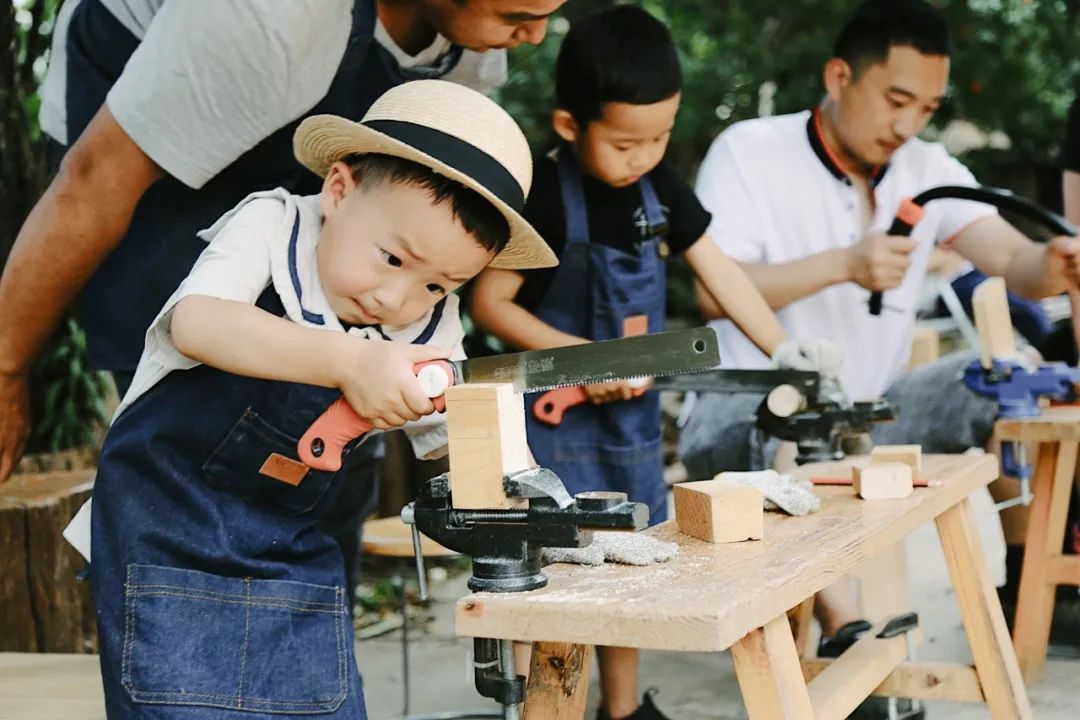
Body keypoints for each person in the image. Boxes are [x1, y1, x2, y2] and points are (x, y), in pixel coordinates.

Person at [2, 0, 563, 599]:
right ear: (336, 190)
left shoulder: (473, 54)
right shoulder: (270, 19)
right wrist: (6, 369)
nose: (530, 36)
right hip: (148, 185)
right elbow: (95, 180)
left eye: (436, 285)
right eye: (516, 13)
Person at [86, 80, 555, 720]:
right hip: (166, 535)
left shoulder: (429, 323)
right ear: (338, 190)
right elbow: (196, 323)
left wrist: (520, 500)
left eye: (438, 285)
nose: (399, 299)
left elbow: (458, 442)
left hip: (294, 553)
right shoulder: (271, 225)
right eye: (392, 257)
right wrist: (352, 360)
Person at [678, 0, 1080, 684]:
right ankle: (848, 632)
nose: (909, 125)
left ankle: (1034, 590)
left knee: (1002, 375)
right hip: (751, 410)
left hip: (874, 410)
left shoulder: (924, 165)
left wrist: (1052, 265)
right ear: (839, 78)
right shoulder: (750, 150)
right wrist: (845, 262)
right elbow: (715, 292)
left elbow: (1009, 255)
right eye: (897, 100)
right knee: (765, 421)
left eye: (926, 108)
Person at [469, 7, 836, 720]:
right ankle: (538, 710)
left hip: (630, 425)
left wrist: (784, 352)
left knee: (629, 556)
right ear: (572, 126)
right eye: (628, 142)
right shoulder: (544, 191)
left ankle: (623, 710)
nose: (646, 155)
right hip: (553, 427)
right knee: (549, 570)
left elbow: (722, 272)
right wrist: (582, 360)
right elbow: (491, 304)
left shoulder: (659, 186)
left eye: (661, 137)